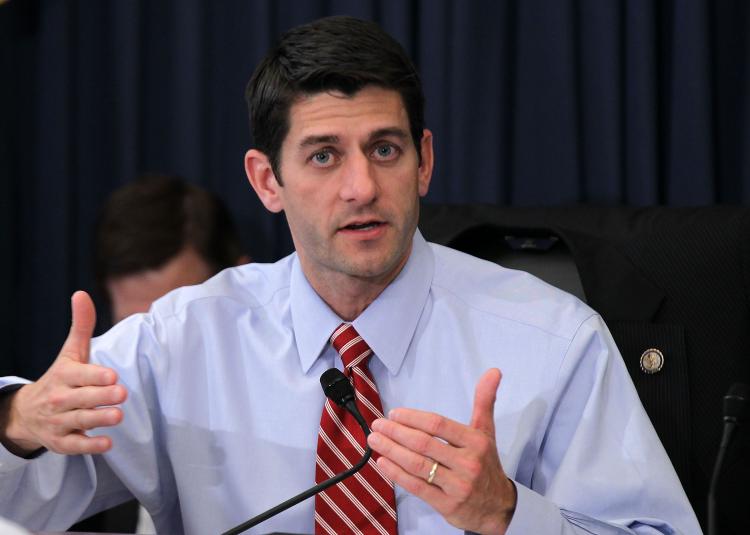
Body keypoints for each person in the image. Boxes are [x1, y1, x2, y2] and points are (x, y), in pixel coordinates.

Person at [0, 16, 700, 535]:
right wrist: (19, 422)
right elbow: (24, 499)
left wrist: (509, 513)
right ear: (267, 180)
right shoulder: (184, 339)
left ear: (423, 161)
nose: (362, 186)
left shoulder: (552, 338)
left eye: (385, 149)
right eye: (325, 156)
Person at [74, 174, 249, 534]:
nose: (150, 352)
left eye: (174, 318)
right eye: (130, 327)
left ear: (241, 278)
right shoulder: (95, 423)